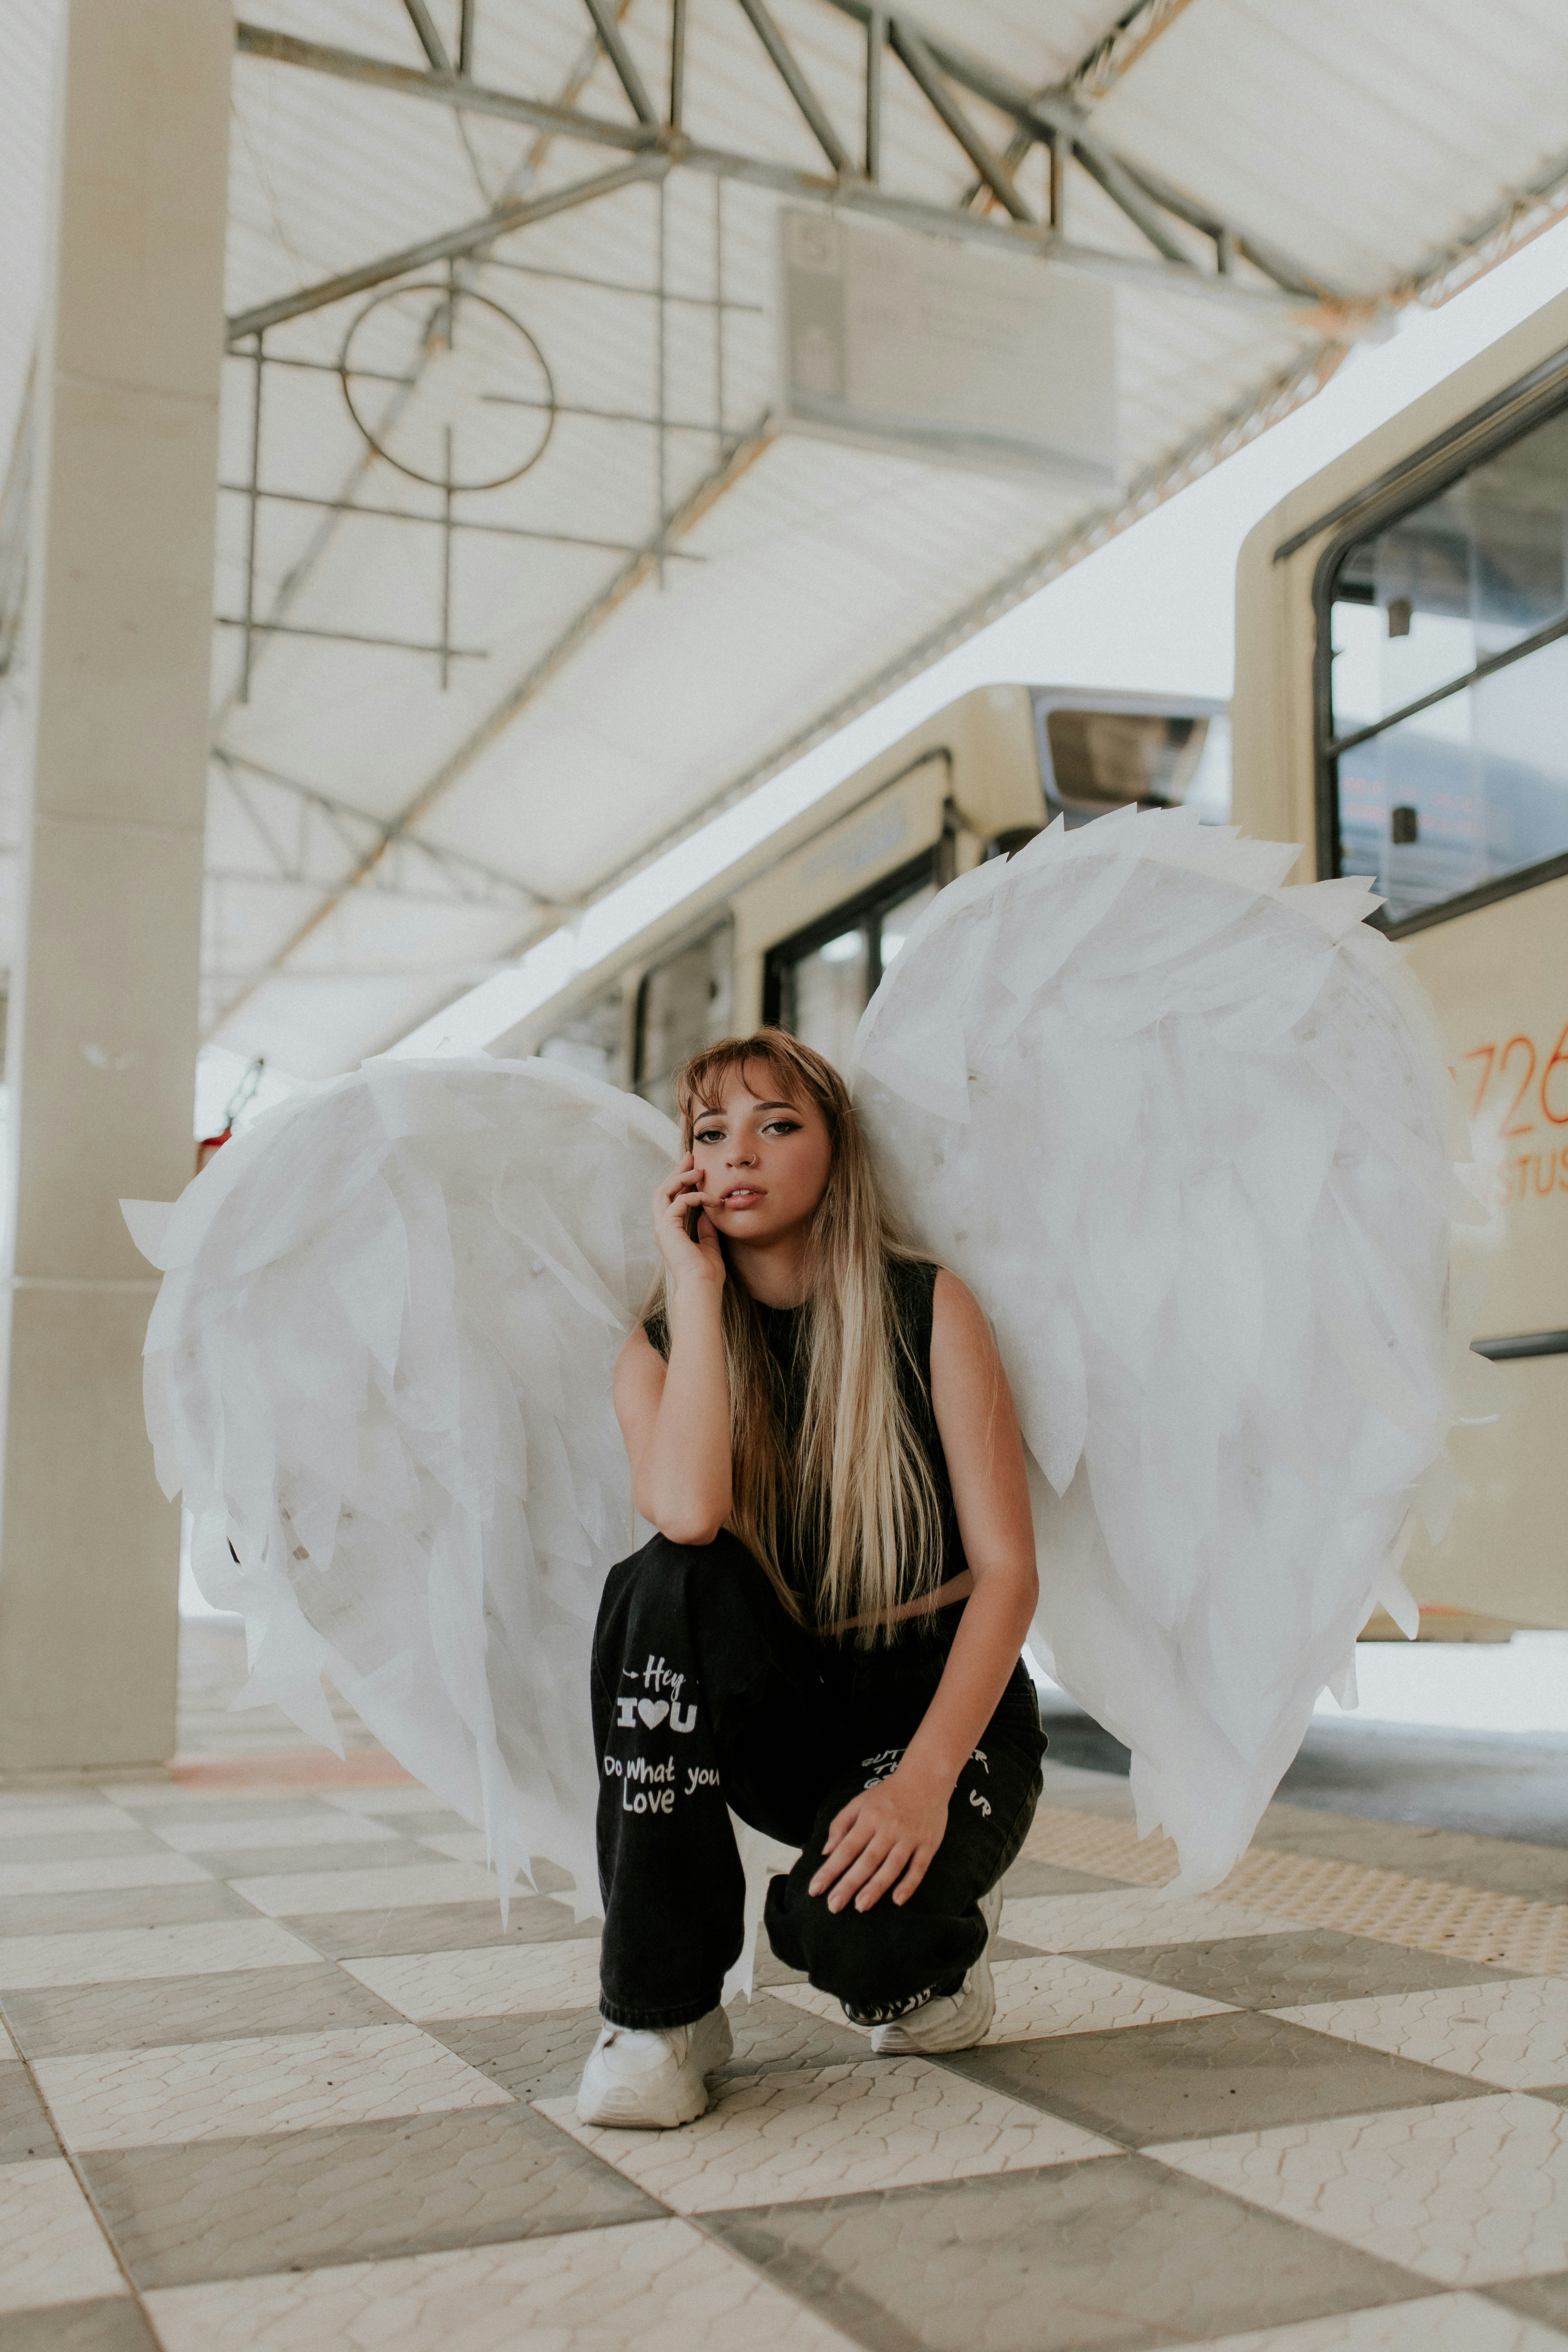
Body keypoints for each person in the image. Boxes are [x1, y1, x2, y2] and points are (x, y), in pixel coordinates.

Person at [576, 1030, 1047, 2130]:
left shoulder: (930, 1306)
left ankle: (926, 1959)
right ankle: (664, 2012)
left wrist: (922, 1783)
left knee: (862, 1951)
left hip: (934, 1711)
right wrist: (694, 1290)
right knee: (663, 1583)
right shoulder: (654, 1350)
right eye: (710, 1133)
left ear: (835, 1153)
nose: (738, 1151)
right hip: (786, 1709)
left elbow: (1011, 1576)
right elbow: (690, 1515)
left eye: (776, 1124)